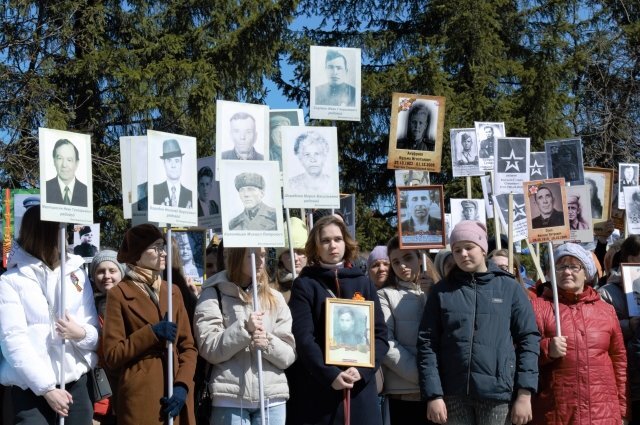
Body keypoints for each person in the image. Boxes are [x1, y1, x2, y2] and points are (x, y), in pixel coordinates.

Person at [417, 221, 540, 425]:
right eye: (457, 250)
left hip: (498, 395)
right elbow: (427, 344)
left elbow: (529, 340)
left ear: (483, 249)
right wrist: (433, 395)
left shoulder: (509, 287)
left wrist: (525, 394)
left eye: (469, 247)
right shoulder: (442, 291)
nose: (463, 254)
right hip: (452, 395)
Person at [0, 205, 99, 424]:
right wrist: (46, 389)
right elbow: (13, 340)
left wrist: (80, 333)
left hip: (76, 382)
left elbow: (94, 331)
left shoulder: (78, 274)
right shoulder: (11, 281)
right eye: (59, 230)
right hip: (29, 389)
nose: (65, 237)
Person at [286, 215, 389, 425]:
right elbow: (304, 338)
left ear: (346, 242)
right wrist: (329, 375)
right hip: (321, 391)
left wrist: (363, 370)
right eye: (325, 240)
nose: (332, 245)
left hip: (360, 389)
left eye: (337, 239)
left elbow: (380, 336)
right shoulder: (305, 284)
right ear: (316, 245)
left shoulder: (363, 282)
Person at [102, 224, 197, 425]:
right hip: (140, 397)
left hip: (175, 395)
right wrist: (151, 333)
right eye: (156, 248)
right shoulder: (118, 294)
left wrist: (183, 385)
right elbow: (112, 354)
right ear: (138, 253)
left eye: (163, 247)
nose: (163, 253)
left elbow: (188, 347)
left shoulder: (172, 291)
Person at [193, 246, 296, 425]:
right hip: (230, 398)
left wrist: (267, 342)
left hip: (272, 399)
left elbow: (288, 356)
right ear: (237, 256)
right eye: (252, 255)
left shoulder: (275, 298)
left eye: (263, 255)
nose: (260, 261)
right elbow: (209, 348)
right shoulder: (213, 294)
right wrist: (244, 330)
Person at [531, 243, 627, 424]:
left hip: (602, 414)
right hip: (556, 413)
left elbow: (619, 361)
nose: (567, 272)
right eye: (560, 266)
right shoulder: (537, 308)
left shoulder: (606, 311)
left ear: (586, 272)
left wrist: (622, 410)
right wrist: (545, 349)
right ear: (551, 273)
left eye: (574, 266)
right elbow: (519, 353)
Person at [377, 236, 439, 425]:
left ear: (420, 258)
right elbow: (386, 341)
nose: (402, 266)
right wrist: (422, 375)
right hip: (403, 393)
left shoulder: (439, 291)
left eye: (408, 258)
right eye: (396, 261)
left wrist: (432, 294)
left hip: (439, 395)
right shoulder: (385, 295)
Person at [599, 235, 640, 422]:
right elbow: (600, 331)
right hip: (626, 381)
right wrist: (627, 326)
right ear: (631, 259)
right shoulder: (606, 293)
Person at [89, 250, 125, 425]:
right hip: (97, 386)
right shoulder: (87, 305)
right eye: (100, 271)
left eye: (112, 270)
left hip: (124, 384)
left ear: (121, 273)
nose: (106, 276)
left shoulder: (131, 303)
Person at [273, 217, 308, 303]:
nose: (295, 258)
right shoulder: (270, 291)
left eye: (300, 252)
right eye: (289, 252)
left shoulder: (317, 283)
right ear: (280, 257)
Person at [45, 138, 88, 207]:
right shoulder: (45, 188)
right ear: (54, 161)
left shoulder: (86, 192)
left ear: (76, 163)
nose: (64, 165)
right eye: (60, 158)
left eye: (69, 160)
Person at [153, 139, 194, 208]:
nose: (173, 165)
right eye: (169, 160)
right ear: (164, 163)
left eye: (177, 161)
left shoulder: (190, 195)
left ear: (181, 162)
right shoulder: (155, 191)